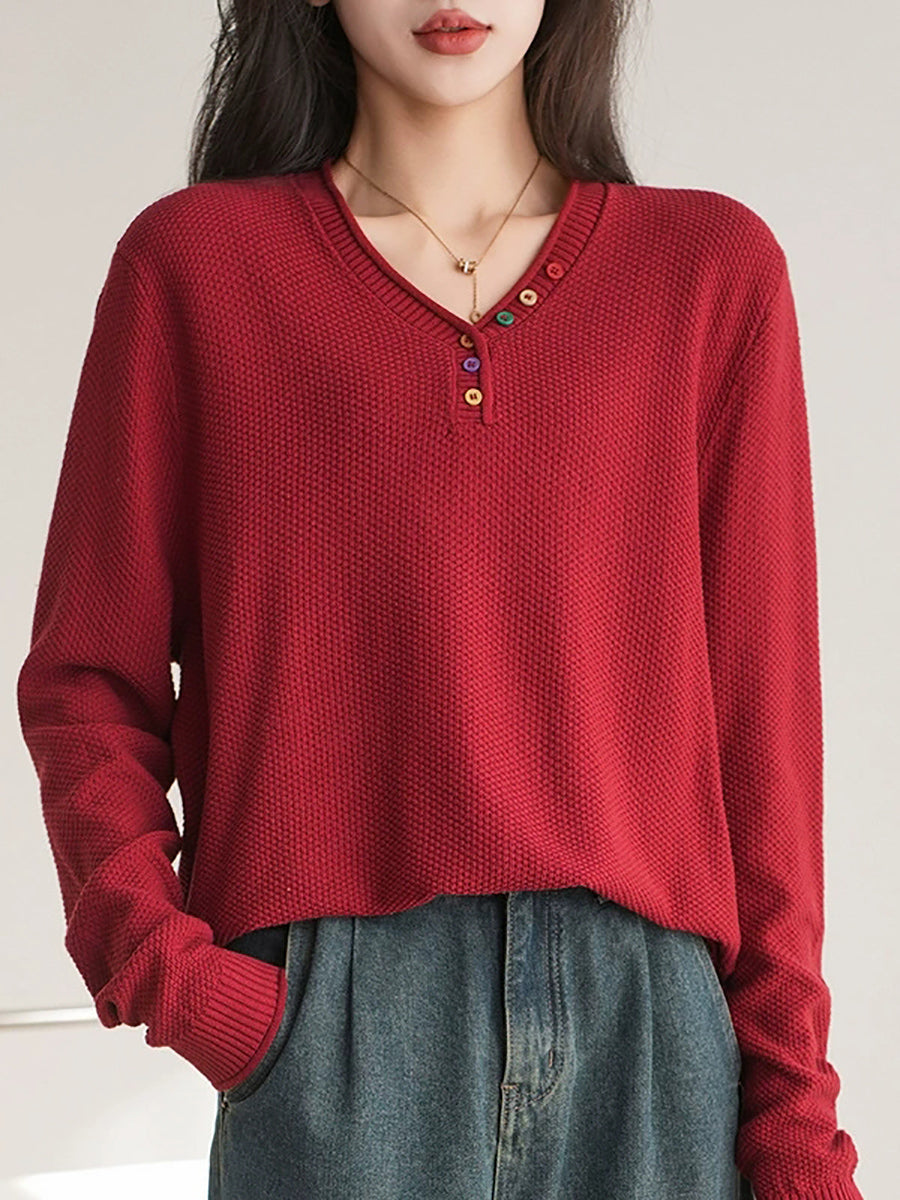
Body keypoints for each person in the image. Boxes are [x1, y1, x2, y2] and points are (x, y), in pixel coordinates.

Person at [16, 2, 864, 1198]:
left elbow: (763, 737)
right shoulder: (197, 270)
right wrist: (182, 983)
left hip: (653, 1036)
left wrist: (795, 1121)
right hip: (332, 1032)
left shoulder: (708, 274)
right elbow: (85, 683)